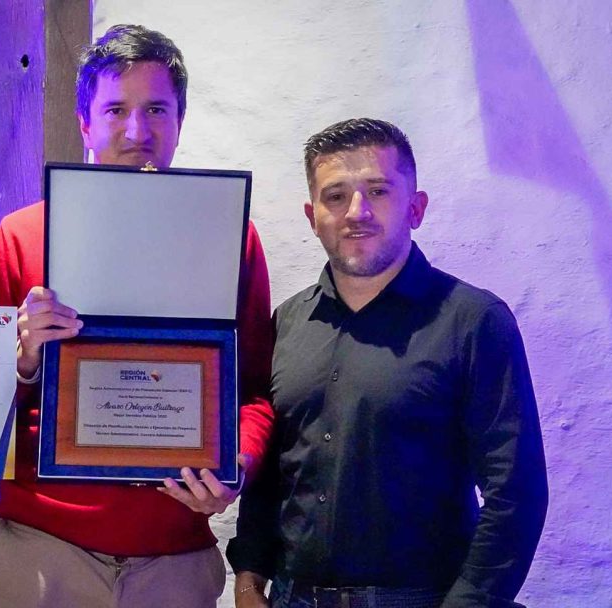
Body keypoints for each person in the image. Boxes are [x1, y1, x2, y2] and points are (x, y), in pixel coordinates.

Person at [0, 24, 274, 608]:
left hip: (175, 559)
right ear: (85, 123)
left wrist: (237, 465)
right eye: (115, 110)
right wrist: (23, 357)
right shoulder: (21, 236)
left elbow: (255, 390)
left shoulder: (232, 237)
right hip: (39, 553)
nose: (138, 132)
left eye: (156, 109)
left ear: (180, 122)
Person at [227, 118, 549, 608]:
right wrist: (249, 576)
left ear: (415, 208)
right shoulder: (288, 322)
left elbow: (516, 493)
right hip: (294, 596)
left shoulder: (474, 321)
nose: (357, 211)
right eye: (336, 196)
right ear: (313, 216)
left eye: (378, 191)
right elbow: (273, 472)